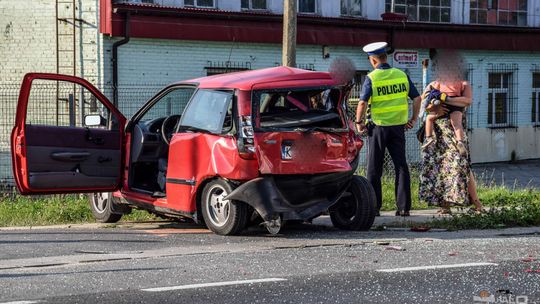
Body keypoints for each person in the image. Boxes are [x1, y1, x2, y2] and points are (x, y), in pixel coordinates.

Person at [356, 42, 422, 216]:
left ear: (373, 60)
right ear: (386, 57)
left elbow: (362, 102)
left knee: (374, 168)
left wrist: (358, 122)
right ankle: (404, 208)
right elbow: (417, 98)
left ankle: (374, 208)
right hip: (398, 128)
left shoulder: (372, 78)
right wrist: (413, 119)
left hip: (378, 128)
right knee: (401, 166)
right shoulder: (401, 75)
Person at [419, 49, 484, 214]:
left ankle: (477, 204)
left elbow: (468, 101)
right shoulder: (434, 85)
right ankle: (445, 205)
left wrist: (447, 99)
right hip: (439, 133)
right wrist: (435, 107)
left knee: (462, 165)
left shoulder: (463, 83)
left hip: (456, 133)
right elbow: (424, 106)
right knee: (442, 168)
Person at [421, 86, 467, 156]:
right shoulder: (460, 86)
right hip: (451, 119)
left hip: (441, 125)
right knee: (457, 125)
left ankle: (429, 137)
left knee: (429, 118)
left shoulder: (435, 86)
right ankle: (460, 141)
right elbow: (424, 105)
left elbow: (424, 105)